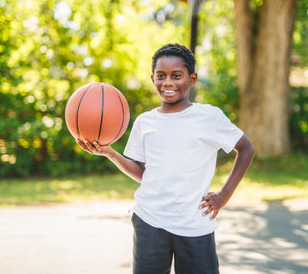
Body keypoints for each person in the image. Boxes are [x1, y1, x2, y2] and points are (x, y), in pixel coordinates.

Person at [77, 43, 255, 274]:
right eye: (161, 76)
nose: (168, 82)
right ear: (153, 79)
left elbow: (246, 148)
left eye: (176, 75)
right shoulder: (145, 122)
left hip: (194, 224)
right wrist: (110, 153)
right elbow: (144, 174)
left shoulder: (208, 117)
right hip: (150, 221)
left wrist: (223, 196)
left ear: (192, 79)